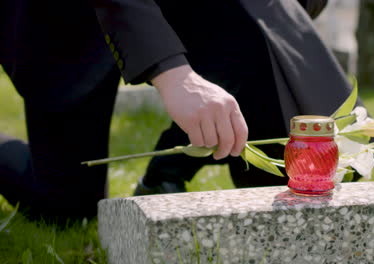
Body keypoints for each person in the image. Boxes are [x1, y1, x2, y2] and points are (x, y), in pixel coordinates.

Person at [0, 0, 352, 220]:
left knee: (251, 36)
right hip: (72, 16)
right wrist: (172, 74)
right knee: (67, 205)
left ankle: (167, 170)